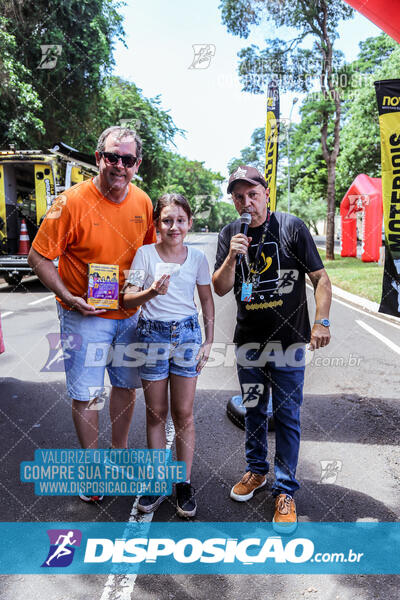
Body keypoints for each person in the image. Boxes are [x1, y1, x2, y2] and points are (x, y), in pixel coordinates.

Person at [28, 126, 156, 502]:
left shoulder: (144, 203)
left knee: (125, 385)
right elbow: (38, 257)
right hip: (83, 314)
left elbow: (149, 256)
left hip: (129, 315)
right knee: (86, 393)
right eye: (112, 157)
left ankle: (117, 456)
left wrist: (147, 294)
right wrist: (68, 294)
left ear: (137, 164)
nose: (119, 165)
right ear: (98, 157)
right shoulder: (70, 202)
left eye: (127, 160)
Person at [212, 165, 332, 532]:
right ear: (233, 201)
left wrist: (322, 321)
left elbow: (320, 279)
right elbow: (219, 288)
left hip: (289, 343)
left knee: (287, 416)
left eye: (253, 194)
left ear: (266, 193)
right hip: (249, 344)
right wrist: (232, 257)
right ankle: (256, 471)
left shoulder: (292, 227)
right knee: (253, 410)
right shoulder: (230, 234)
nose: (247, 202)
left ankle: (285, 490)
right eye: (239, 196)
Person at [123, 193, 214, 517]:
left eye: (179, 220)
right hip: (151, 336)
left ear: (189, 223)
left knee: (184, 414)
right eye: (166, 220)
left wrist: (208, 341)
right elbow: (128, 298)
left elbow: (206, 301)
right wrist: (151, 291)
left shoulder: (197, 258)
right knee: (155, 413)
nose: (173, 226)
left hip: (187, 336)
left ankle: (183, 484)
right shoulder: (144, 254)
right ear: (156, 224)